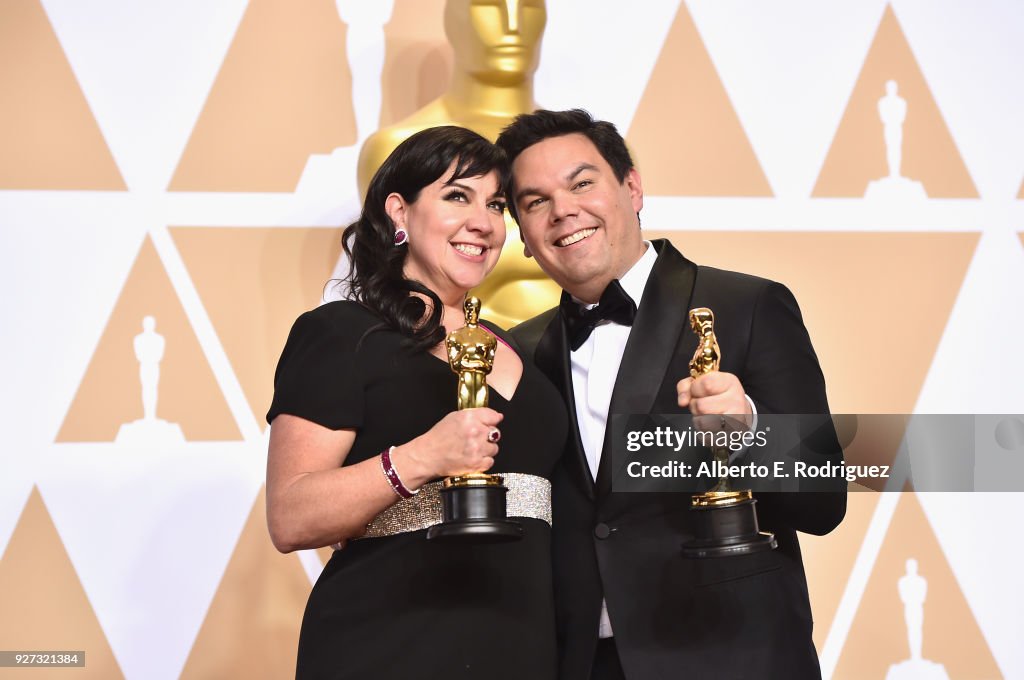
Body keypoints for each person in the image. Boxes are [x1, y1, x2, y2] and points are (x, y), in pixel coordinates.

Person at [496, 109, 847, 680]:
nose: (563, 210)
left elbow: (824, 502)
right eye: (535, 202)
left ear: (632, 188)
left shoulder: (746, 306)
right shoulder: (517, 351)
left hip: (730, 657)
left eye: (582, 183)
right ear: (525, 237)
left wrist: (751, 434)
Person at [266, 125, 566, 680]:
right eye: (457, 195)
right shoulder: (340, 334)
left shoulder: (520, 346)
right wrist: (424, 456)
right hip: (390, 644)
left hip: (523, 646)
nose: (483, 221)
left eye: (495, 204)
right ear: (399, 212)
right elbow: (290, 516)